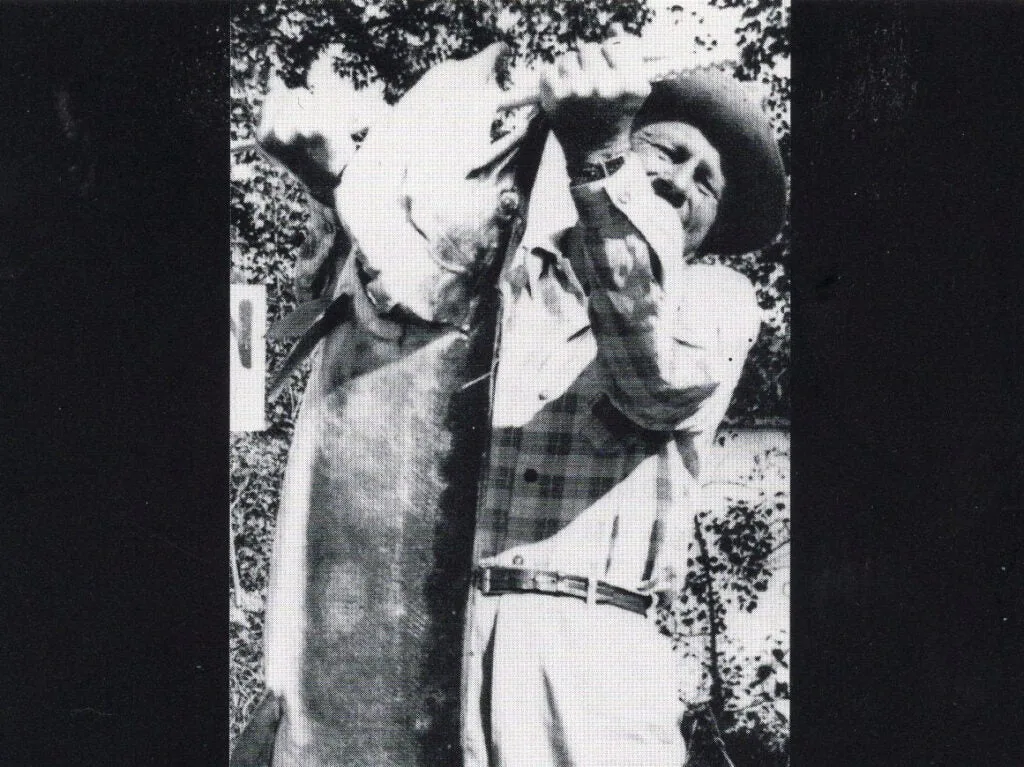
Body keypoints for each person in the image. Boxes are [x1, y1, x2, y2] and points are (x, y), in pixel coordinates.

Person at [253, 29, 784, 767]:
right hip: (442, 645)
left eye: (707, 183)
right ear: (625, 152)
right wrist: (332, 185)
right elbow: (379, 320)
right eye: (665, 152)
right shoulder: (502, 288)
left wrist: (601, 160)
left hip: (591, 677)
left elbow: (651, 373)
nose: (682, 181)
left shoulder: (718, 304)